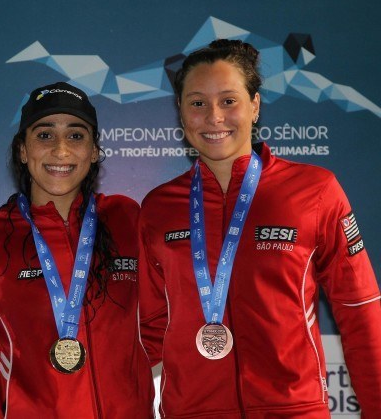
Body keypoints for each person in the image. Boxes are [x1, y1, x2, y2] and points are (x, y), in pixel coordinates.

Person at [138, 39, 381, 418]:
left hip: (293, 410)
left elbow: (359, 310)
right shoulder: (157, 208)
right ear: (182, 115)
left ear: (254, 106)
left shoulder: (315, 190)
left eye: (229, 100)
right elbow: (147, 331)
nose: (214, 117)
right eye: (198, 103)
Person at [0, 82, 154, 418]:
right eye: (45, 135)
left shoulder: (128, 219)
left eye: (76, 136)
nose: (61, 150)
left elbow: (163, 322)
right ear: (23, 149)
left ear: (94, 151)